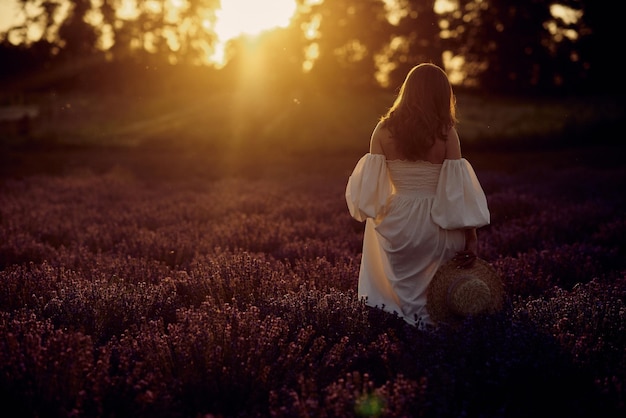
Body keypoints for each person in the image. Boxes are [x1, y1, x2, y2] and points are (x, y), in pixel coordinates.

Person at [345, 63, 490, 329]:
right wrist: (471, 236)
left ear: (407, 91)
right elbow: (457, 192)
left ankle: (406, 335)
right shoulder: (446, 133)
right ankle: (436, 335)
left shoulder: (383, 130)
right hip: (439, 220)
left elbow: (370, 192)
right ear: (441, 94)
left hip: (398, 219)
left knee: (401, 291)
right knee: (437, 296)